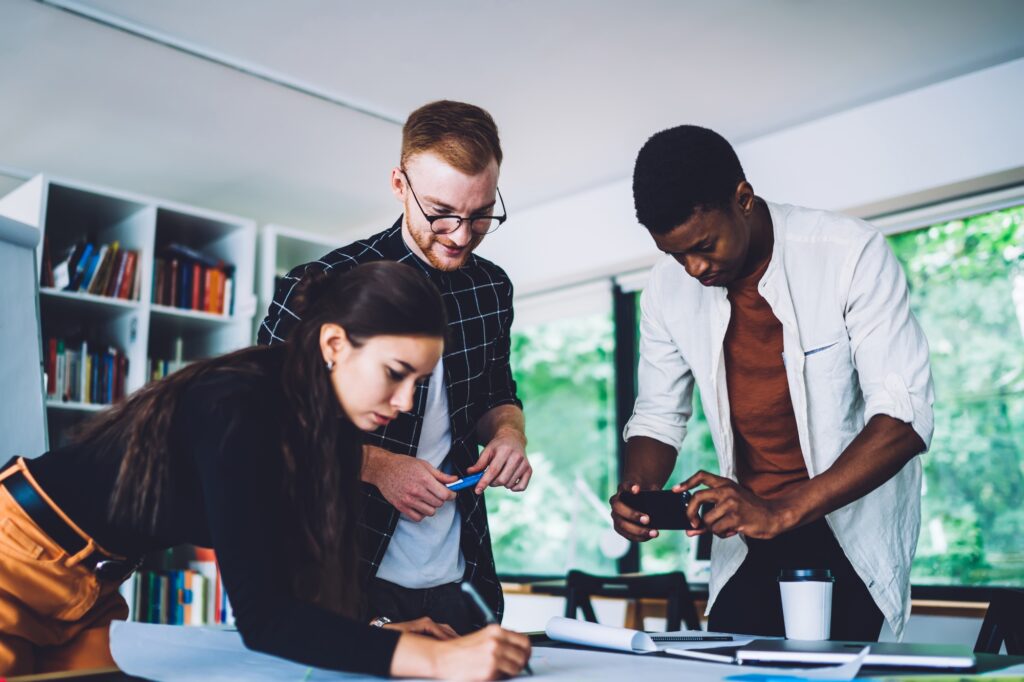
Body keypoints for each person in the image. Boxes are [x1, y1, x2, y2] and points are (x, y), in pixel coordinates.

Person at [0, 262, 531, 679]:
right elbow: (266, 618)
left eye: (417, 380)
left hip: (92, 582)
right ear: (333, 345)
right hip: (15, 554)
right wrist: (437, 661)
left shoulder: (323, 425)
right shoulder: (240, 403)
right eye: (395, 373)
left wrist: (381, 631)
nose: (406, 400)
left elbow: (297, 574)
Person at [610, 125, 935, 641]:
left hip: (847, 535)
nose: (693, 268)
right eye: (676, 255)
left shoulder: (848, 253)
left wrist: (780, 510)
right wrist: (639, 491)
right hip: (746, 540)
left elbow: (904, 417)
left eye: (704, 245)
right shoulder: (665, 291)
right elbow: (657, 417)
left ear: (743, 198)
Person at [258, 100, 530, 633]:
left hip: (462, 574)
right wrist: (377, 466)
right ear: (399, 185)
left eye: (480, 216)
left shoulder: (492, 287)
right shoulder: (319, 288)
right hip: (341, 568)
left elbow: (495, 391)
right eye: (441, 212)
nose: (459, 235)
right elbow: (265, 424)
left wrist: (509, 434)